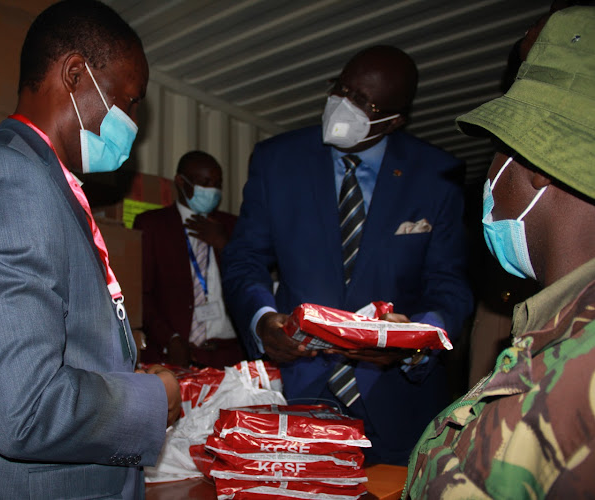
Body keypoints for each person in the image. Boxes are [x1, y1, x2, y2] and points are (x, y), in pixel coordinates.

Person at [0, 1, 180, 498]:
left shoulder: (46, 185)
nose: (135, 123)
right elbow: (26, 405)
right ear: (76, 75)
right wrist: (151, 399)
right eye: (130, 99)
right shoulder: (6, 181)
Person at [221, 45, 474, 465]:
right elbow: (245, 257)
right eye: (341, 88)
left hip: (397, 403)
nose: (343, 104)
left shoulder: (436, 175)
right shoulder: (277, 161)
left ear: (394, 119)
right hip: (298, 389)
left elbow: (450, 285)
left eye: (363, 101)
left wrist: (412, 341)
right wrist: (262, 320)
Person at [403, 6, 595, 497]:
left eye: (496, 151)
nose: (487, 179)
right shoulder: (559, 328)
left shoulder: (558, 382)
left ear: (535, 167)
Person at [133, 151, 244, 369]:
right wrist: (170, 339)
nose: (212, 189)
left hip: (229, 357)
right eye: (204, 182)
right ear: (180, 182)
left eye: (217, 184)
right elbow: (141, 294)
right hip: (176, 356)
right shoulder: (152, 225)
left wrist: (225, 246)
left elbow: (251, 279)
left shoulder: (233, 226)